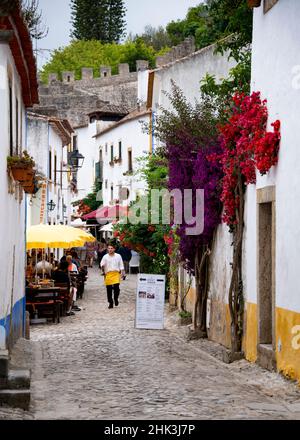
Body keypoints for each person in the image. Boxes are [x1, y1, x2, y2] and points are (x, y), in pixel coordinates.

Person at [100, 242, 125, 309]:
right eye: (109, 248)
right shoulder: (105, 257)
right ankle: (110, 302)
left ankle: (116, 298)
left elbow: (121, 265)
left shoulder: (118, 256)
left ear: (114, 249)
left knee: (117, 288)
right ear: (107, 249)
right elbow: (102, 264)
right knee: (109, 289)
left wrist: (122, 273)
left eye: (111, 248)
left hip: (116, 273)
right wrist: (102, 267)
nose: (110, 249)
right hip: (108, 274)